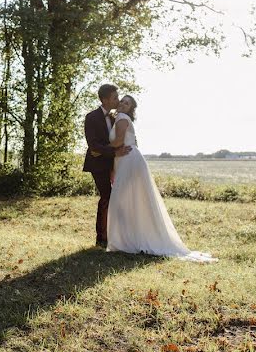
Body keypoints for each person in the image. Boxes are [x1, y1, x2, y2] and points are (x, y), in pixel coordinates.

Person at [106, 95, 217, 262]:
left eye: (126, 103)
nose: (122, 103)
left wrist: (98, 148)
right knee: (130, 200)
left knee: (121, 200)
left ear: (130, 108)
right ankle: (129, 239)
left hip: (128, 160)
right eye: (122, 100)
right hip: (126, 160)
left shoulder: (122, 118)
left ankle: (126, 241)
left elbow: (118, 141)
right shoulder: (122, 118)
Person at [83, 84, 131, 248]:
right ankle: (101, 238)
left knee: (116, 197)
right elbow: (93, 145)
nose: (118, 100)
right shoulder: (91, 117)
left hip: (114, 164)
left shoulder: (114, 117)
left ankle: (116, 234)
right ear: (105, 100)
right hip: (98, 164)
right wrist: (114, 153)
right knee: (106, 196)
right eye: (115, 98)